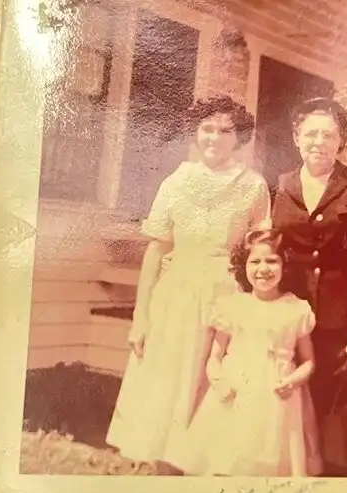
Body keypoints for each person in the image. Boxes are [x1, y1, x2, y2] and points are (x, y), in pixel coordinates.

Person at [106, 95, 271, 473]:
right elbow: (156, 251)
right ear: (195, 133)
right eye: (207, 129)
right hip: (177, 297)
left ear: (239, 136)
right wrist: (140, 318)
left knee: (214, 384)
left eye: (225, 131)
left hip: (226, 297)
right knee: (169, 384)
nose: (214, 137)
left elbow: (259, 250)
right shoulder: (176, 183)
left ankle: (202, 473)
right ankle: (164, 470)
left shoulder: (253, 186)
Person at [271, 97, 347, 476]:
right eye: (311, 134)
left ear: (341, 140)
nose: (319, 142)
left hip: (342, 324)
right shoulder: (281, 185)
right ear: (296, 137)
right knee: (290, 402)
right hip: (290, 317)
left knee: (334, 411)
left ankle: (332, 484)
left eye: (329, 135)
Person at [169, 229, 321, 477]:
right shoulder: (233, 306)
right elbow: (215, 356)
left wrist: (294, 380)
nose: (263, 269)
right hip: (236, 392)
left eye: (272, 261)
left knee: (271, 459)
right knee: (229, 455)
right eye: (255, 261)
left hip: (278, 396)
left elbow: (309, 361)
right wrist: (218, 380)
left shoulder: (296, 308)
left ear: (285, 266)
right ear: (243, 266)